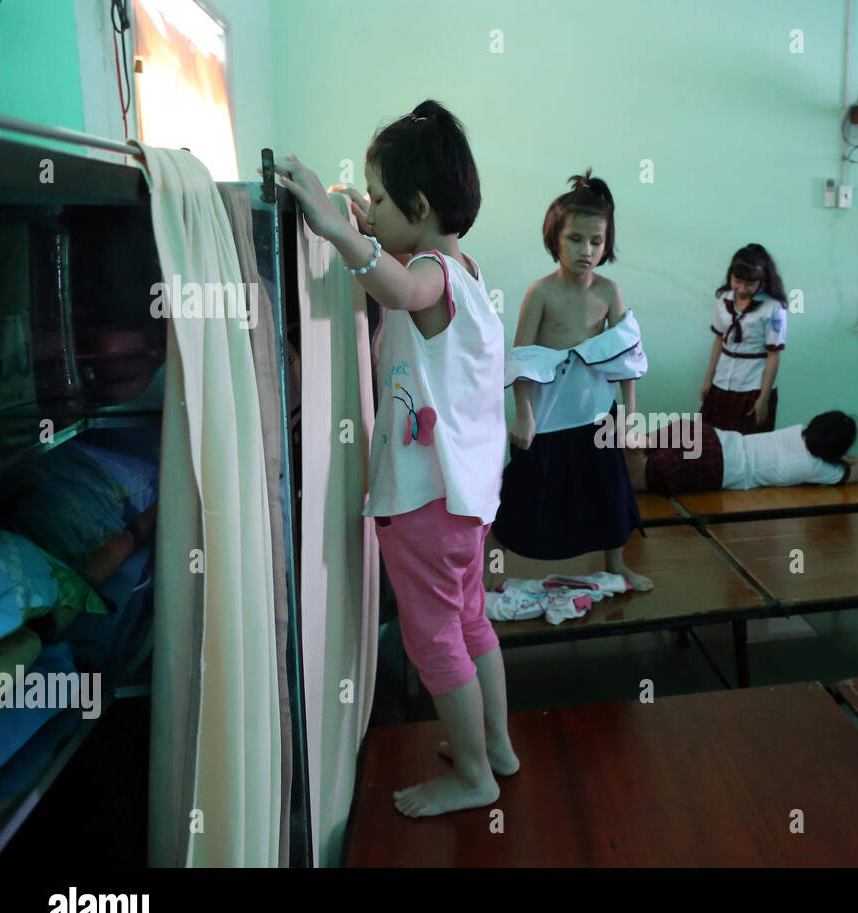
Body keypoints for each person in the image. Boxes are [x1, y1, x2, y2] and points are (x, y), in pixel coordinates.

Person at [273, 100, 517, 817]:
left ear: (417, 205)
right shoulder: (466, 269)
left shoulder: (432, 278)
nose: (369, 208)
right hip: (466, 501)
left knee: (435, 639)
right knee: (473, 622)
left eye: (379, 198)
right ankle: (496, 745)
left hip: (424, 502)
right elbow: (399, 273)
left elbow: (401, 287)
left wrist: (333, 226)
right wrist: (362, 221)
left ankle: (475, 774)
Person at [487, 169, 652, 590]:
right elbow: (522, 360)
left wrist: (631, 417)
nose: (586, 250)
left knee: (613, 494)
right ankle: (484, 573)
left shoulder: (609, 292)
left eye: (596, 241)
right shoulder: (540, 292)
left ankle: (616, 565)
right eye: (576, 239)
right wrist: (522, 415)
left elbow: (625, 359)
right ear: (555, 239)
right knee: (520, 496)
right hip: (546, 416)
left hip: (597, 413)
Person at [624, 411, 858, 494]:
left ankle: (605, 444)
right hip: (716, 465)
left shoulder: (799, 430)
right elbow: (857, 474)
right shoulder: (818, 468)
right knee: (637, 478)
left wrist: (843, 459)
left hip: (707, 435)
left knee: (641, 444)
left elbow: (825, 452)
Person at [699, 244, 789, 434]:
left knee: (749, 443)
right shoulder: (723, 299)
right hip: (722, 381)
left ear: (762, 280)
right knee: (710, 439)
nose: (741, 288)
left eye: (749, 283)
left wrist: (763, 399)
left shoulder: (773, 308)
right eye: (737, 280)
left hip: (753, 386)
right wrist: (708, 380)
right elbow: (719, 341)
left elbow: (774, 356)